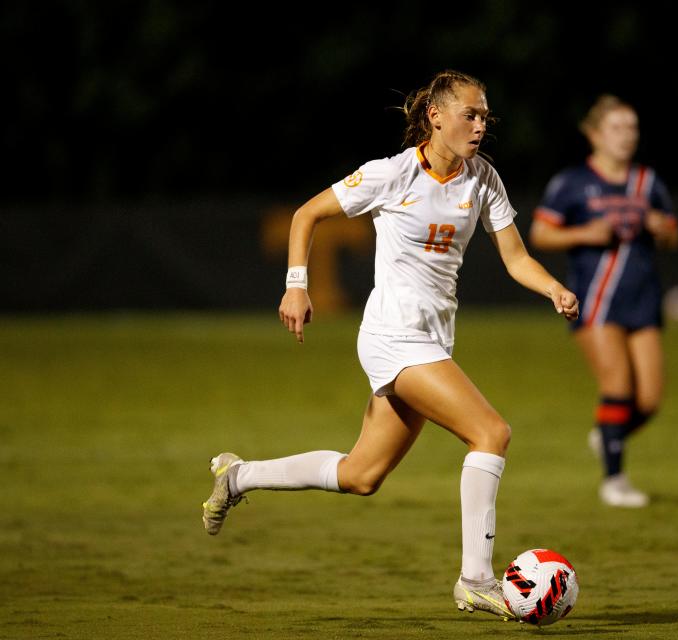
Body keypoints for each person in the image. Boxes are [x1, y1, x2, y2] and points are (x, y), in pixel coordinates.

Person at [200, 70, 579, 619]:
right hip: (392, 335)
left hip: (432, 340)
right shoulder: (393, 174)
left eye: (485, 116)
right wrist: (296, 286)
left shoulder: (483, 179)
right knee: (491, 433)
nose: (480, 125)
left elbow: (516, 257)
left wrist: (554, 288)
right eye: (470, 115)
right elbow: (307, 214)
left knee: (361, 475)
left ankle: (237, 477)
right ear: (436, 117)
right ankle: (475, 579)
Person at [529, 95, 678, 509]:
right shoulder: (572, 182)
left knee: (647, 400)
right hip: (596, 297)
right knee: (617, 386)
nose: (626, 136)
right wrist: (584, 234)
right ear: (594, 134)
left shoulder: (646, 183)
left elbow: (673, 235)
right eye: (617, 128)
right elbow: (540, 234)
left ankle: (607, 435)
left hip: (642, 298)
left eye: (631, 128)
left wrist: (660, 228)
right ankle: (614, 481)